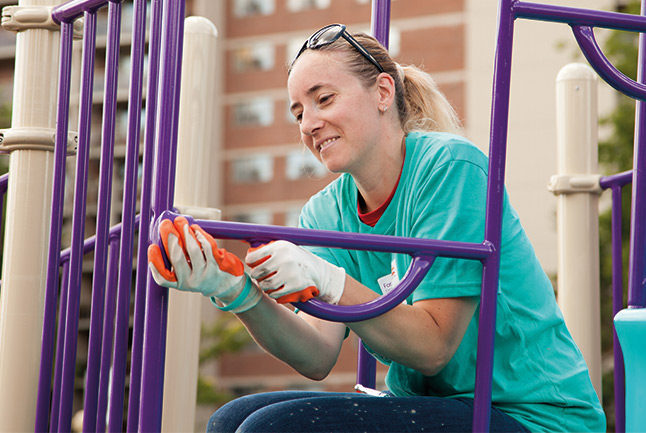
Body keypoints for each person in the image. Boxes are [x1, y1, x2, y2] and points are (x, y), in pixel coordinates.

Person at [148, 23, 606, 433]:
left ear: (383, 92)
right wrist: (238, 293)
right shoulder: (325, 213)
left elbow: (433, 346)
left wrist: (328, 280)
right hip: (437, 407)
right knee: (229, 419)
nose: (309, 124)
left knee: (272, 428)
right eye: (297, 112)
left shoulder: (450, 169)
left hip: (531, 415)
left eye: (323, 99)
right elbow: (317, 356)